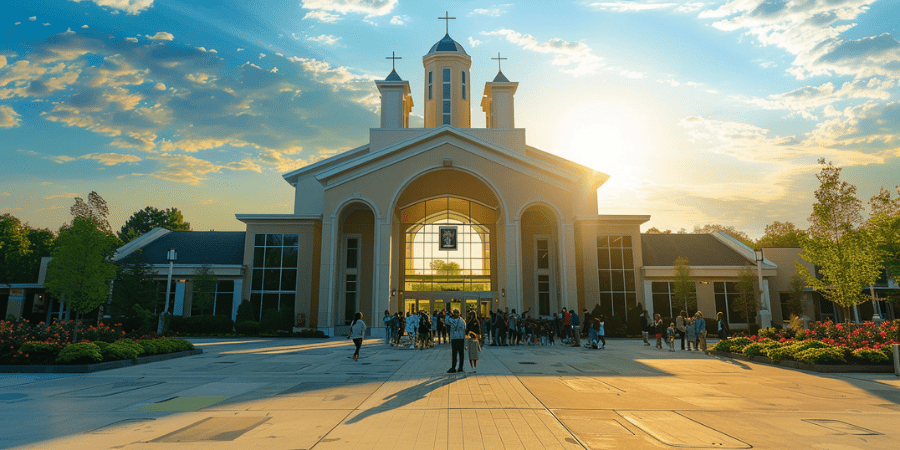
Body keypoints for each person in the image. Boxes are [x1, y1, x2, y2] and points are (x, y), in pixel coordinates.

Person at [446, 308, 466, 373]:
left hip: (454, 338)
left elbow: (446, 321)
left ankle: (453, 367)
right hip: (461, 338)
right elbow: (465, 328)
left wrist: (448, 315)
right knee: (461, 354)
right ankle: (460, 367)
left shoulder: (451, 320)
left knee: (454, 354)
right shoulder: (462, 321)